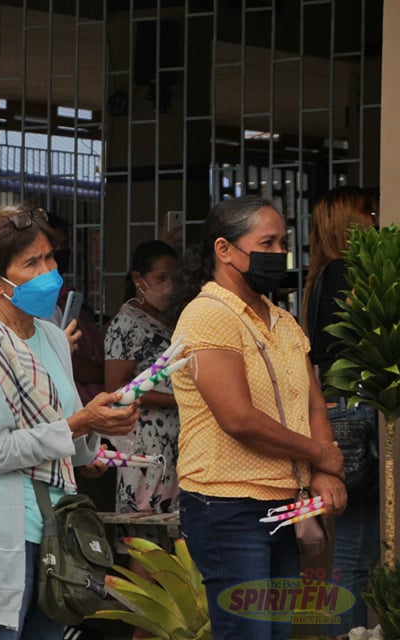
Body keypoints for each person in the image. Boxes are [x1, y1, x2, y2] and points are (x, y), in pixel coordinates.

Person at [0, 205, 139, 640]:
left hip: (57, 532)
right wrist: (78, 424)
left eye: (49, 258)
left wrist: (100, 428)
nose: (48, 271)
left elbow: (68, 440)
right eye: (32, 263)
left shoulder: (53, 337)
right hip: (3, 533)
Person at [171, 195, 346, 640]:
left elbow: (311, 401)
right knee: (248, 633)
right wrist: (320, 453)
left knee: (278, 630)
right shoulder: (208, 315)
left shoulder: (283, 320)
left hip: (287, 502)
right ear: (224, 250)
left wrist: (324, 470)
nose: (279, 252)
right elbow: (239, 419)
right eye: (267, 241)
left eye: (283, 241)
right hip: (228, 506)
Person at [302, 186, 379, 636]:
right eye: (368, 212)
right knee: (354, 555)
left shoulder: (320, 277)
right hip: (355, 407)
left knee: (354, 551)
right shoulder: (346, 273)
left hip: (339, 408)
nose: (376, 217)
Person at [104, 241, 180, 543]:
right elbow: (116, 390)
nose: (171, 286)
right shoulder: (126, 325)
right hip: (145, 445)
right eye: (162, 278)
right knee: (145, 534)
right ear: (139, 279)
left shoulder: (168, 319)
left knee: (174, 533)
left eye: (175, 278)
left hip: (173, 444)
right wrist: (175, 400)